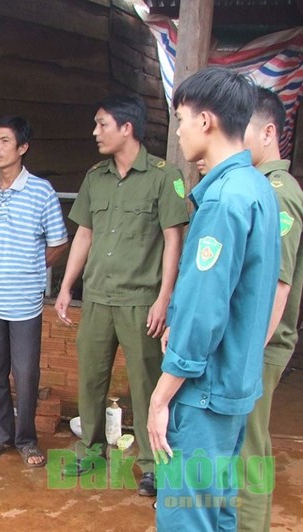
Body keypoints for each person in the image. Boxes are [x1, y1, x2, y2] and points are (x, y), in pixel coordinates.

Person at [148, 67, 281, 531]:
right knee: (220, 514)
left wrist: (162, 397)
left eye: (181, 118)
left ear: (206, 121)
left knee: (188, 517)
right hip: (234, 388)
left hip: (202, 394)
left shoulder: (224, 200)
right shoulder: (259, 189)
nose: (179, 130)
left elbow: (205, 311)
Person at [54, 94, 189, 495]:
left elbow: (172, 241)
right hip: (97, 298)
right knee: (90, 379)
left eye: (102, 124)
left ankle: (152, 464)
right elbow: (84, 233)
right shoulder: (95, 176)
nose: (95, 132)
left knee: (147, 384)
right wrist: (65, 286)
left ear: (127, 128)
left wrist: (165, 297)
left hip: (141, 302)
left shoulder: (165, 177)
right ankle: (90, 450)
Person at [0, 116, 68, 467]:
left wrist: (37, 265)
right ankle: (2, 434)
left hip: (24, 302)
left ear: (22, 147)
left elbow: (58, 241)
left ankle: (26, 439)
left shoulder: (41, 191)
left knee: (25, 373)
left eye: (4, 141)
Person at [237, 88, 303, 532]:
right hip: (253, 340)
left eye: (240, 130)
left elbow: (278, 285)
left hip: (260, 341)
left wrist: (249, 349)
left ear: (268, 132)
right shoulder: (261, 186)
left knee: (249, 447)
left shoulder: (278, 192)